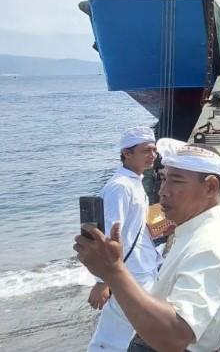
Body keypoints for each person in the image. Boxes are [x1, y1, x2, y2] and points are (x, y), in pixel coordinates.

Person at [74, 144, 220, 352]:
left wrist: (113, 272)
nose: (162, 191)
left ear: (210, 187)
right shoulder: (194, 233)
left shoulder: (209, 247)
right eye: (163, 179)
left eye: (176, 181)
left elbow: (175, 337)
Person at [87, 127, 163, 352]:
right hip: (130, 271)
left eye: (154, 150)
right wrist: (103, 281)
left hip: (142, 267)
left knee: (130, 331)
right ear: (126, 153)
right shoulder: (120, 187)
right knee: (112, 339)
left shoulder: (134, 181)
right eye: (146, 151)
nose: (152, 155)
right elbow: (109, 235)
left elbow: (133, 227)